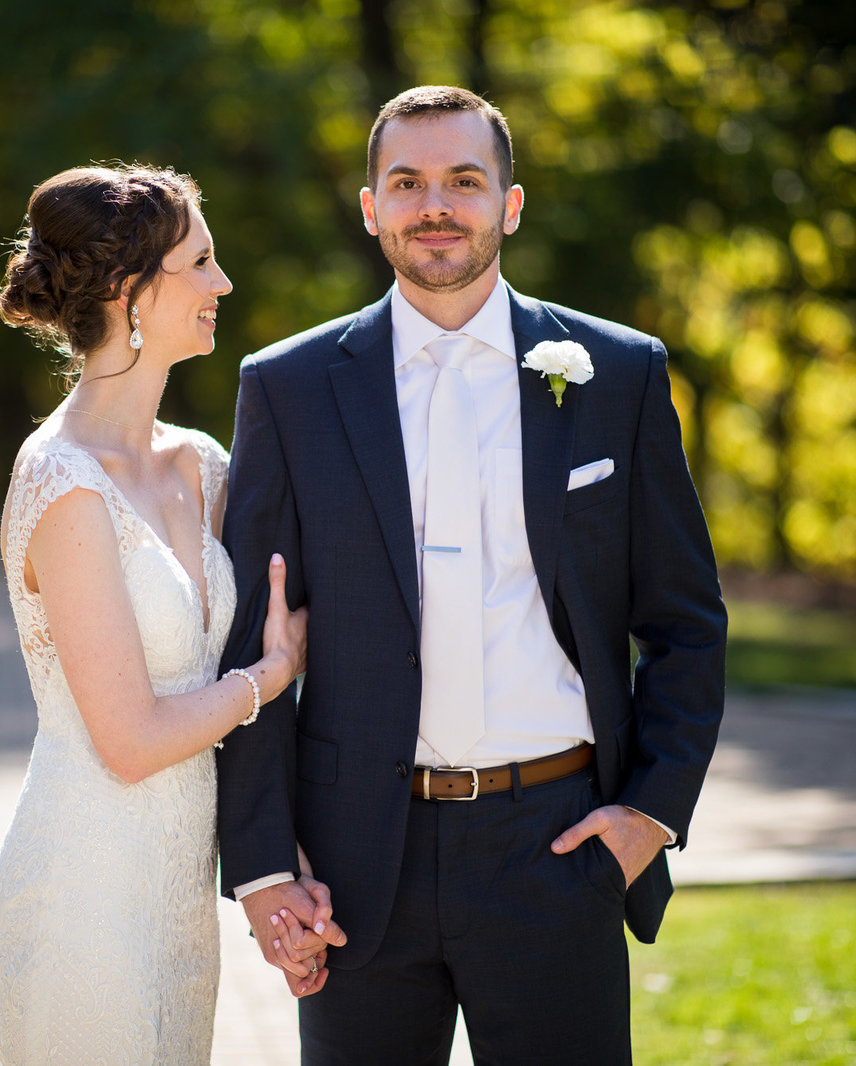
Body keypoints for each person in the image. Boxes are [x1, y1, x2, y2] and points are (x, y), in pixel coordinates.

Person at [215, 86, 727, 1064]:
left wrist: (649, 813)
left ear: (511, 203)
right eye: (405, 182)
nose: (434, 205)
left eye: (463, 180)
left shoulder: (614, 373)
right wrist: (265, 863)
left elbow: (686, 618)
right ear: (370, 206)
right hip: (356, 862)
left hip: (558, 846)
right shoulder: (286, 386)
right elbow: (251, 640)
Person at [0, 164, 329, 1064]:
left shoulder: (203, 466)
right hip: (83, 892)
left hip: (179, 896)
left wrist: (280, 863)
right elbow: (130, 740)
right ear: (129, 292)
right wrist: (271, 676)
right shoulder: (61, 480)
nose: (221, 284)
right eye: (202, 263)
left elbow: (219, 702)